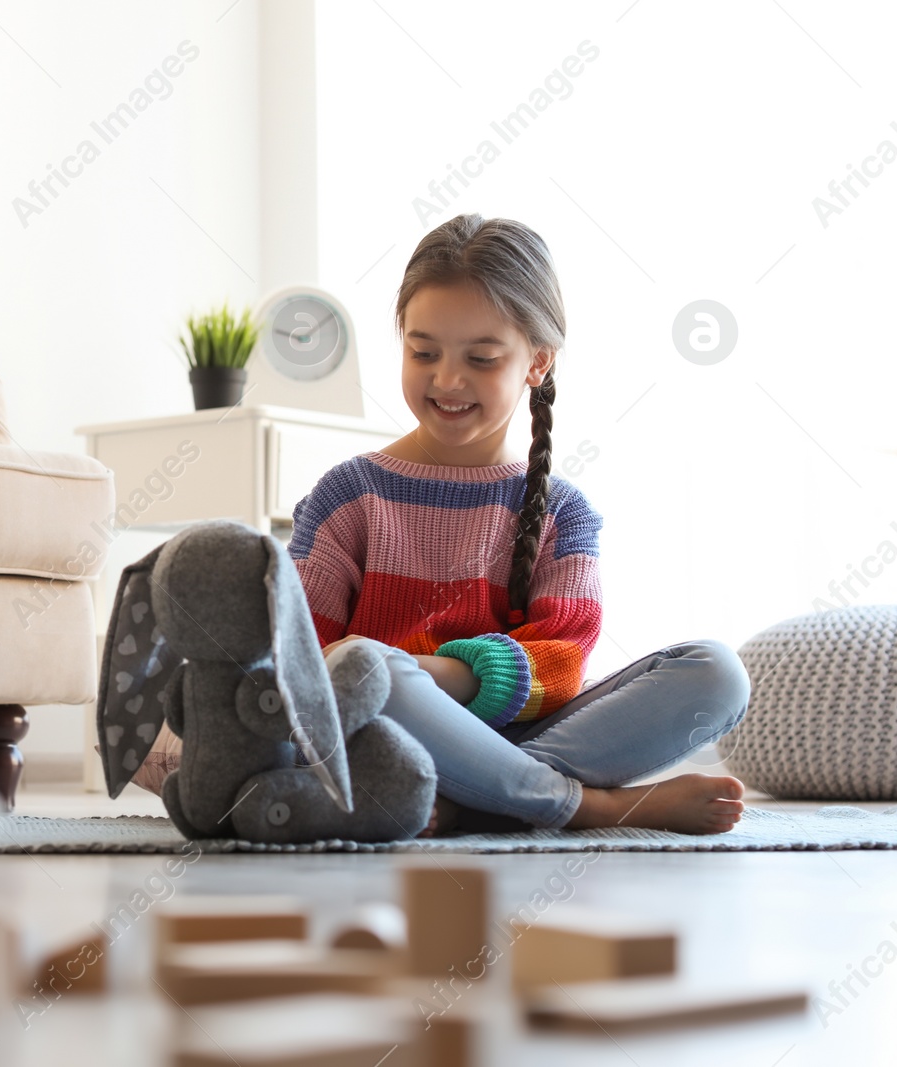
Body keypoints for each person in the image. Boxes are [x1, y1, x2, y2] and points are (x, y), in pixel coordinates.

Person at [133, 214, 751, 837]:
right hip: (382, 734)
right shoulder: (350, 495)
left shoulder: (564, 511)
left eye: (481, 358)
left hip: (527, 730)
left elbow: (560, 664)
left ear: (538, 362)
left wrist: (444, 677)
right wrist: (393, 676)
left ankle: (468, 800)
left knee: (716, 672)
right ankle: (589, 807)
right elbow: (307, 669)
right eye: (423, 352)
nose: (448, 380)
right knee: (370, 669)